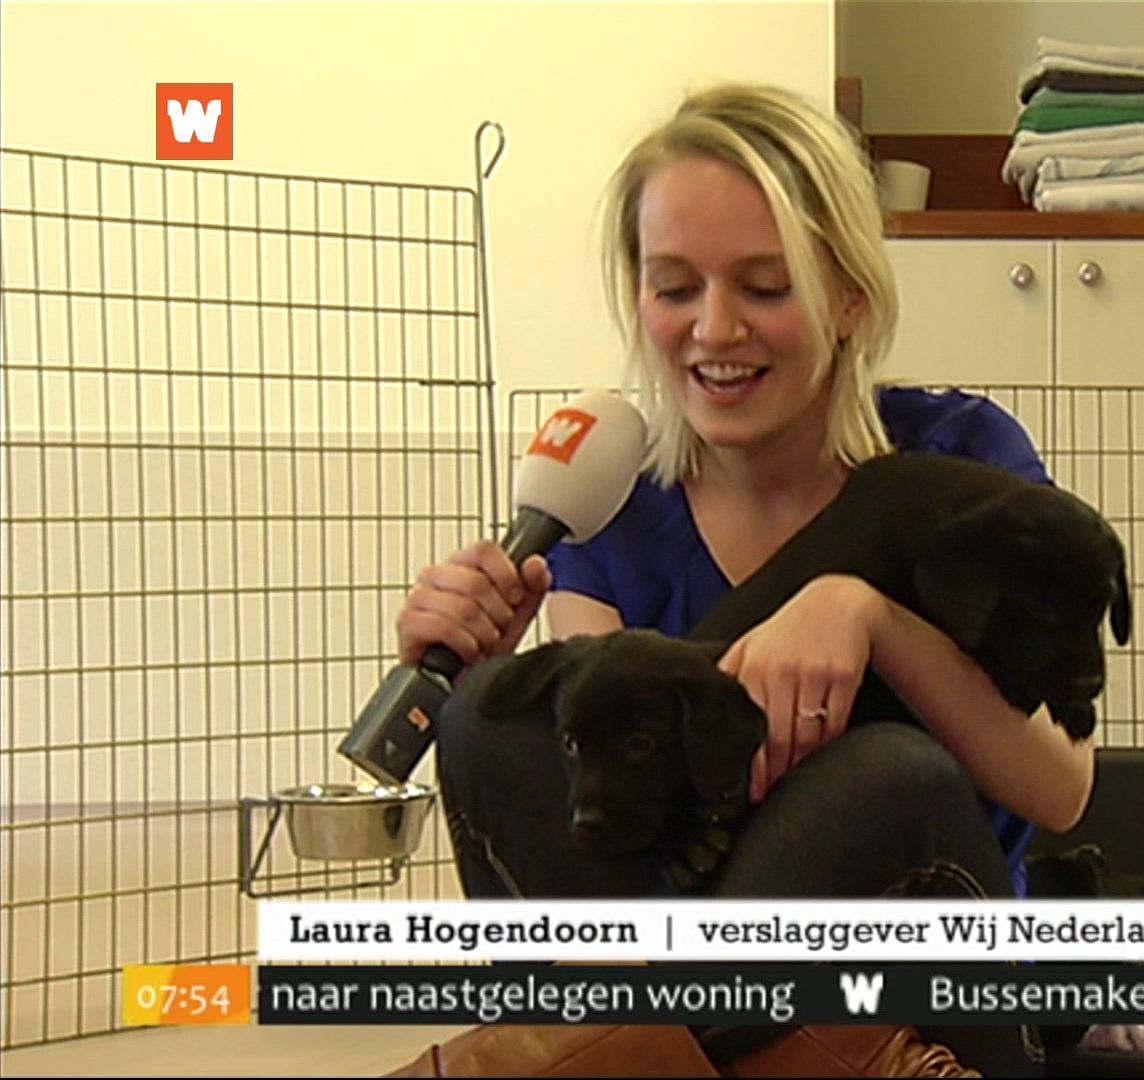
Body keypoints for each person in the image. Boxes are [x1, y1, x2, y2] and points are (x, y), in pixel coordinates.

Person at [390, 83, 1093, 1077]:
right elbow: (617, 861)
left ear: (848, 297)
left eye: (764, 288)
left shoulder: (963, 465)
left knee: (886, 781)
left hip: (939, 992)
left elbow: (1061, 786)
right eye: (675, 289)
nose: (715, 331)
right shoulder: (614, 505)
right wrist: (496, 677)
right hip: (716, 1019)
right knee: (486, 722)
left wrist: (872, 619)